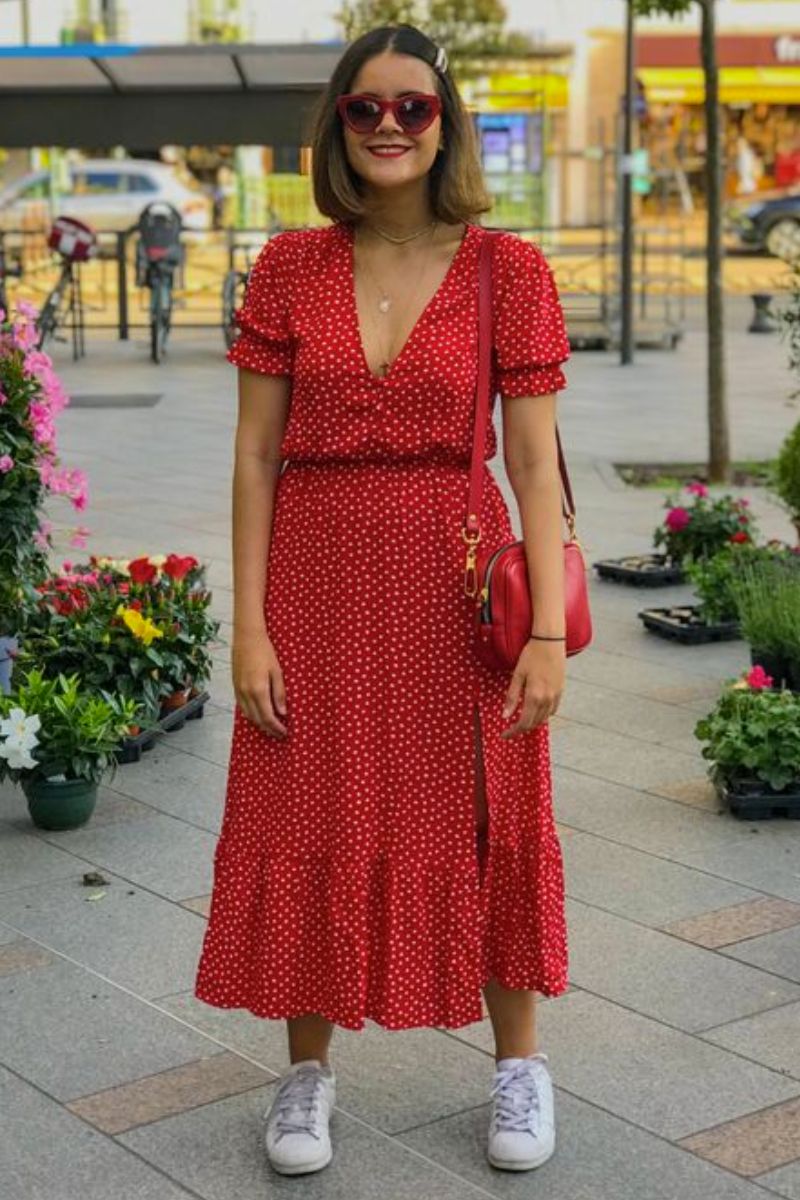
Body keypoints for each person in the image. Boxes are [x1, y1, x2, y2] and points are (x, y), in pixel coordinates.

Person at [193, 21, 571, 1179]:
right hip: (312, 577)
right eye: (365, 109)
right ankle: (306, 1074)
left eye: (414, 106)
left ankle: (516, 1066)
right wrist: (248, 624)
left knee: (486, 808)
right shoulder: (289, 267)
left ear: (446, 121)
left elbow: (533, 461)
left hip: (455, 583)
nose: (390, 126)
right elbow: (256, 458)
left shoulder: (509, 270)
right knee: (305, 806)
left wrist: (547, 627)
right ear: (336, 128)